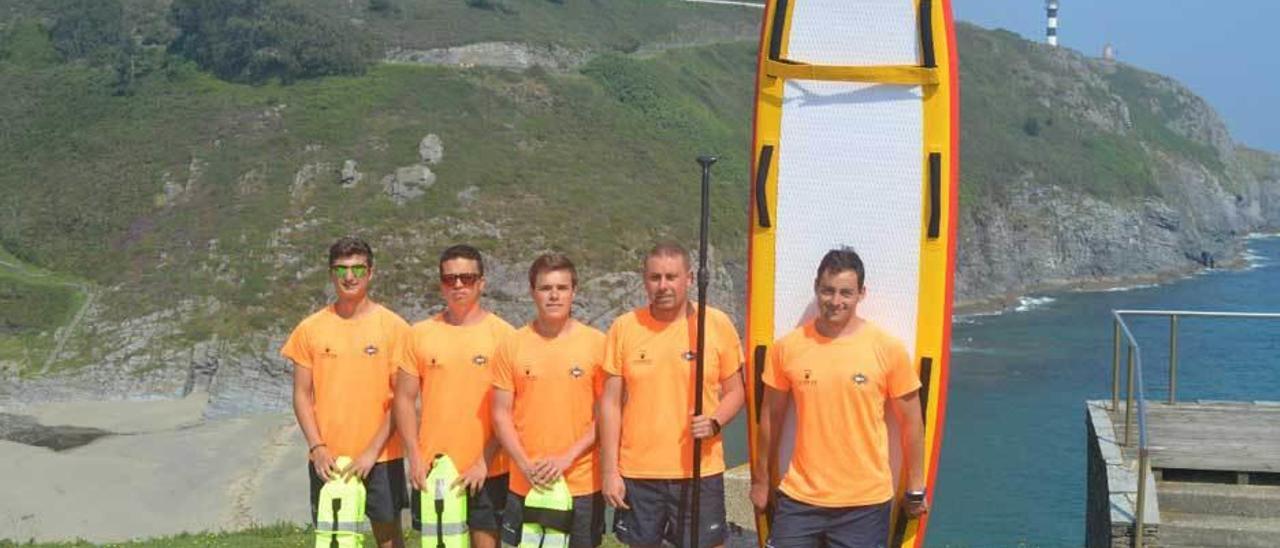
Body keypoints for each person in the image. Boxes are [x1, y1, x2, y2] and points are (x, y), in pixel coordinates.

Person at [749, 248, 928, 548]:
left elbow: (912, 422)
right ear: (816, 289)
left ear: (861, 294)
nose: (835, 301)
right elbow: (770, 417)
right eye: (827, 291)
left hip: (865, 504)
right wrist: (761, 480)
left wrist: (915, 487)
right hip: (800, 498)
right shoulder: (788, 348)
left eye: (846, 293)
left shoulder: (887, 348)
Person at [600, 242, 745, 548]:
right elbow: (611, 404)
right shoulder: (624, 328)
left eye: (671, 276)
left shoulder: (716, 324)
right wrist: (610, 471)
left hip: (699, 470)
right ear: (645, 280)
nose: (663, 285)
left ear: (689, 278)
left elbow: (736, 392)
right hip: (639, 473)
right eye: (655, 278)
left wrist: (715, 421)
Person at [283, 236, 409, 548]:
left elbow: (402, 399)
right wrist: (317, 447)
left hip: (381, 456)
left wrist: (371, 453)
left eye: (357, 269)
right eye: (341, 270)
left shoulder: (394, 327)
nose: (349, 277)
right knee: (333, 539)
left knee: (389, 538)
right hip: (328, 457)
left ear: (371, 272)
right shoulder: (310, 328)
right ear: (331, 274)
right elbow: (301, 395)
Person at [394, 244, 515, 548]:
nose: (458, 285)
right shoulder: (419, 334)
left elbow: (512, 409)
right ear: (441, 285)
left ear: (482, 283)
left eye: (467, 278)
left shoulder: (505, 336)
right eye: (450, 279)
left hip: (489, 467)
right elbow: (404, 399)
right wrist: (414, 456)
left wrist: (484, 461)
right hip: (434, 466)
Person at [492, 253, 607, 547]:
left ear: (574, 291)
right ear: (533, 292)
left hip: (580, 484)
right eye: (545, 288)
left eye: (562, 287)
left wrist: (567, 457)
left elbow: (608, 413)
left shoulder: (597, 344)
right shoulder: (512, 345)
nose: (554, 295)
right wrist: (524, 463)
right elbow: (500, 414)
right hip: (525, 482)